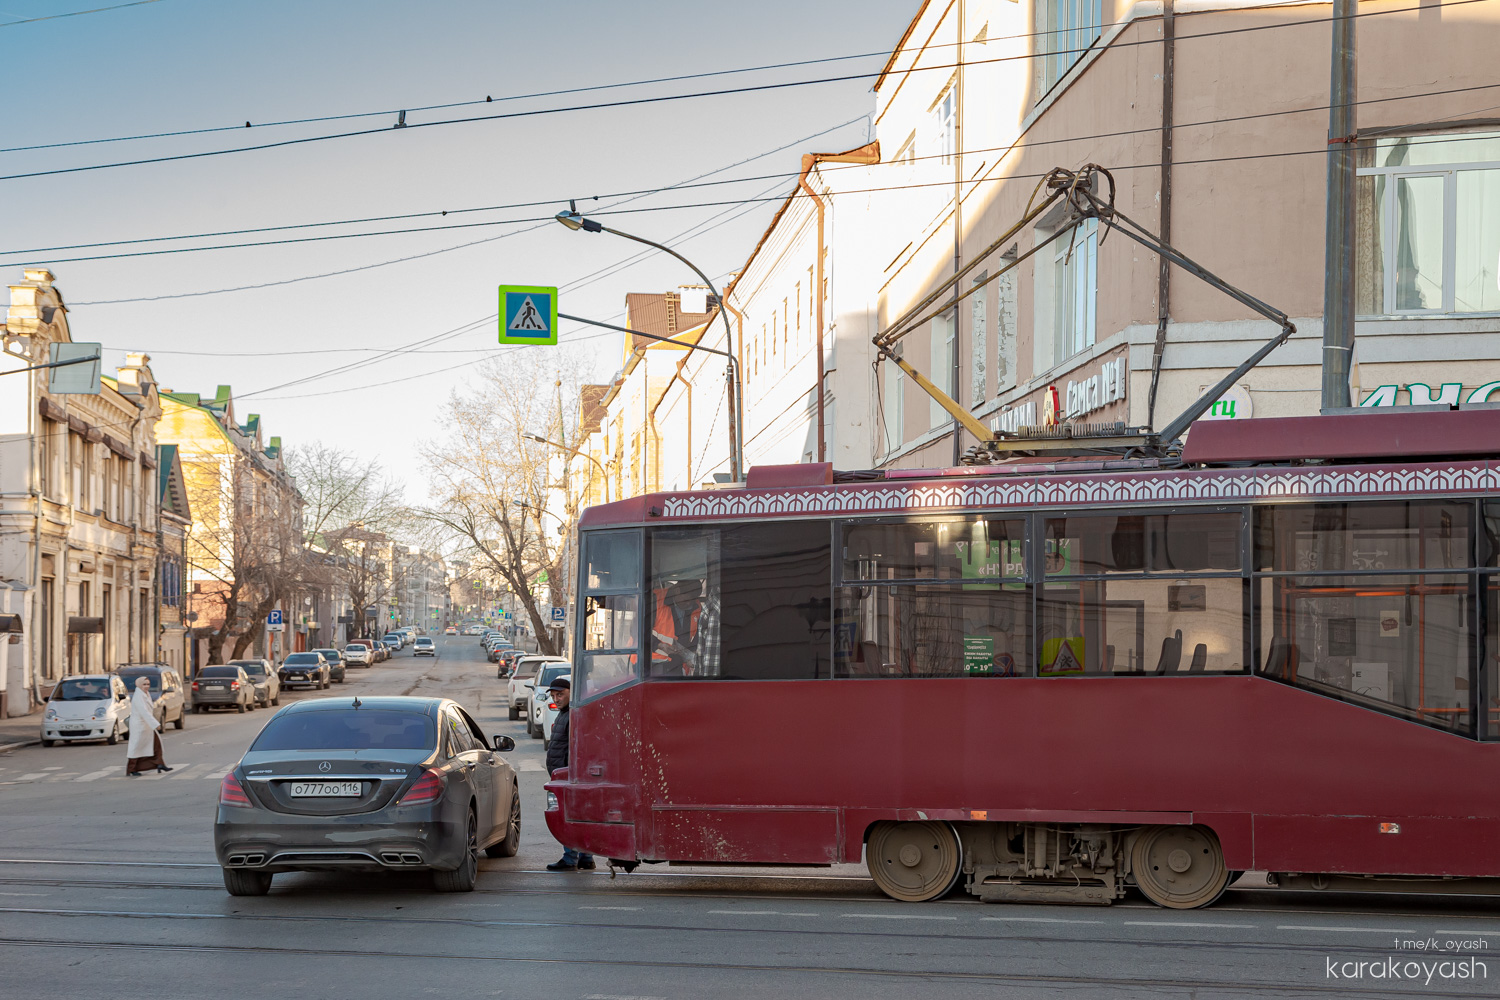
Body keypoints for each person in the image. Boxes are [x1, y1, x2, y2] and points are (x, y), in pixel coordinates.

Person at [543, 678, 594, 872]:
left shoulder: (573, 714)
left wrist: (568, 773)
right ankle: (586, 857)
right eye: (554, 695)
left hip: (569, 776)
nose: (557, 698)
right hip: (566, 775)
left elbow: (576, 747)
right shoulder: (565, 714)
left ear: (571, 693)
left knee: (569, 817)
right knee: (578, 816)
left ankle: (570, 858)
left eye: (561, 694)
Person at [125, 676, 172, 776]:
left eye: (148, 684)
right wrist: (155, 724)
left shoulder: (145, 694)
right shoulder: (138, 696)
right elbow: (144, 712)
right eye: (144, 684)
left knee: (156, 745)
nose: (147, 686)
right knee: (136, 747)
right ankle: (132, 769)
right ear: (138, 685)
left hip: (146, 725)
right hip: (140, 726)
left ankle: (160, 764)